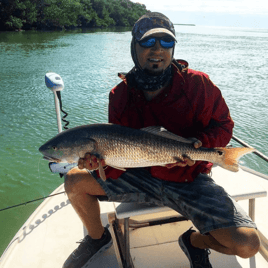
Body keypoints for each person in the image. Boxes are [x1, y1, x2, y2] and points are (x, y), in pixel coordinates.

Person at [63, 12, 260, 268]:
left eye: (166, 42)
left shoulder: (198, 85)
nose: (157, 49)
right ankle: (97, 237)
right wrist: (97, 163)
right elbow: (117, 152)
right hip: (139, 177)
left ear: (174, 47)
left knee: (247, 244)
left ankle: (194, 241)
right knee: (74, 180)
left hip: (190, 180)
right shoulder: (120, 95)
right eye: (147, 42)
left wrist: (200, 143)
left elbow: (224, 125)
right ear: (134, 47)